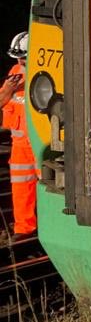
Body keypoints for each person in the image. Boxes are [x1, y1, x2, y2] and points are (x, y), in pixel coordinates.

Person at [1, 32, 39, 238]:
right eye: (17, 57)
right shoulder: (15, 73)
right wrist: (7, 90)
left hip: (41, 144)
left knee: (48, 190)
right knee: (21, 189)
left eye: (23, 56)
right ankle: (24, 229)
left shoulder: (45, 74)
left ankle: (50, 227)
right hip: (20, 147)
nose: (19, 61)